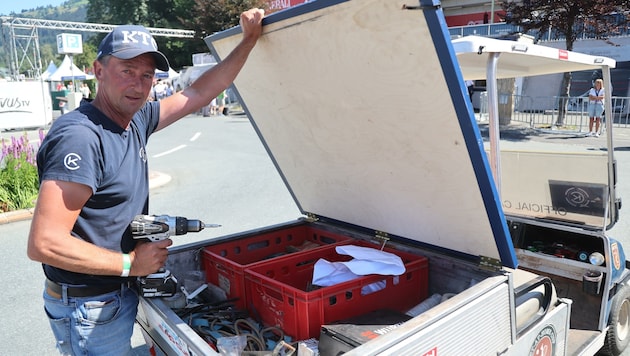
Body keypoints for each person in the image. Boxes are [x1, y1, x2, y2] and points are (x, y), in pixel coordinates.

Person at [27, 8, 264, 355]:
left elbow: (199, 93)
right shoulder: (80, 137)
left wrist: (248, 41)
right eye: (126, 71)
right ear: (98, 71)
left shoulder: (134, 119)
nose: (137, 85)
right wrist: (130, 264)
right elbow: (44, 243)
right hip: (90, 307)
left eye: (147, 75)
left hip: (112, 296)